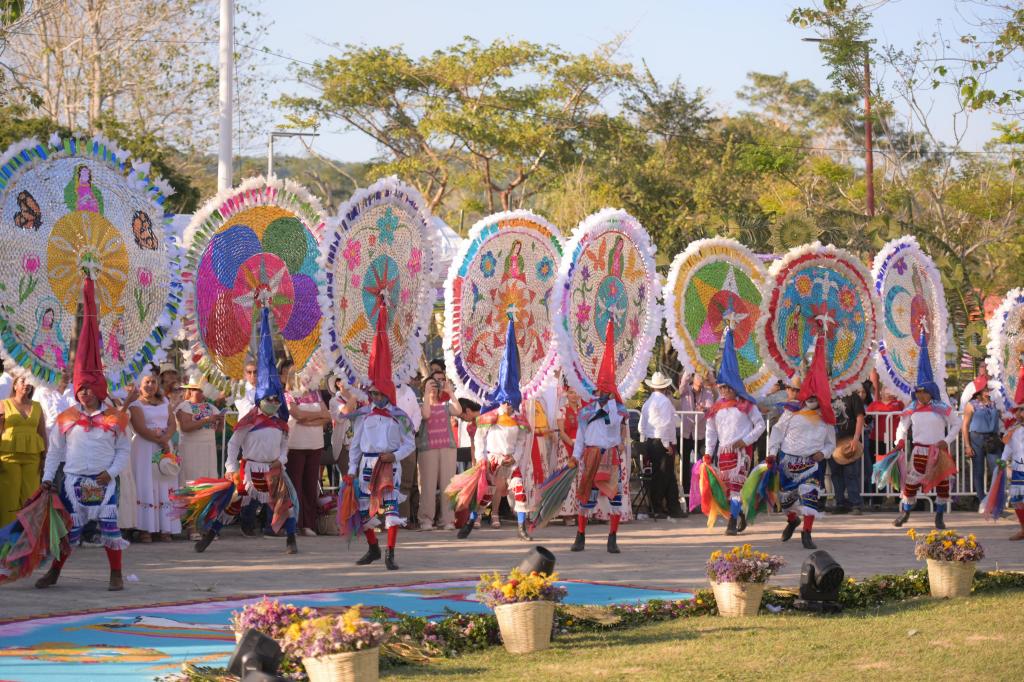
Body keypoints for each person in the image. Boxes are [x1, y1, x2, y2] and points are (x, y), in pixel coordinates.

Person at [36, 275, 130, 591]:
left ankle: (116, 575)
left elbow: (124, 451)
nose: (84, 394)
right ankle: (55, 573)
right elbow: (55, 452)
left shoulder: (115, 418)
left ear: (99, 390)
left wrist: (111, 472)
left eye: (89, 389)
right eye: (81, 389)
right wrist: (48, 479)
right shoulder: (66, 418)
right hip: (73, 480)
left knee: (109, 527)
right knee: (68, 533)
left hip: (103, 482)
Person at [194, 306, 299, 555]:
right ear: (260, 400)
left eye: (277, 400)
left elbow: (285, 442)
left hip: (272, 468)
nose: (274, 403)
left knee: (286, 503)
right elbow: (233, 444)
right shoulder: (248, 421)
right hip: (250, 470)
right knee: (234, 503)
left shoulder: (280, 422)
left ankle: (291, 539)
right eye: (269, 400)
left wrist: (281, 459)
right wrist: (231, 468)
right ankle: (211, 534)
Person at [345, 295, 415, 570]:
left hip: (389, 465)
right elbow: (354, 444)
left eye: (379, 393)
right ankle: (373, 548)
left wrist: (395, 455)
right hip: (366, 464)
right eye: (372, 392)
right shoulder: (363, 414)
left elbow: (410, 442)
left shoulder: (400, 416)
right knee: (364, 510)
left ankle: (390, 554)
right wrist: (351, 469)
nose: (375, 396)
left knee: (390, 510)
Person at [460, 316, 534, 541]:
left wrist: (516, 458)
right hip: (492, 458)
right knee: (485, 495)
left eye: (511, 403)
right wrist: (483, 458)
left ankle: (521, 528)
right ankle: (472, 521)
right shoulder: (489, 417)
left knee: (519, 488)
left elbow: (522, 442)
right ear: (500, 400)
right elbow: (480, 438)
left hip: (510, 459)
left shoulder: (520, 420)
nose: (507, 406)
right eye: (505, 402)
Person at [767, 337, 836, 550]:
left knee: (810, 496)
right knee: (786, 500)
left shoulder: (827, 418)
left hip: (812, 463)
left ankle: (807, 533)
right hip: (788, 460)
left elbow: (831, 444)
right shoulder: (791, 411)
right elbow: (777, 431)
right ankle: (792, 521)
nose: (813, 398)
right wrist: (772, 452)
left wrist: (822, 454)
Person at [571, 320, 630, 554]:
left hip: (610, 456)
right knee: (586, 496)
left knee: (615, 498)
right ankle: (580, 536)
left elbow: (614, 424)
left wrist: (609, 405)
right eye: (600, 390)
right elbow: (580, 436)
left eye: (607, 390)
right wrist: (575, 457)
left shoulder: (617, 410)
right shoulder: (586, 411)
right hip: (591, 455)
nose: (602, 394)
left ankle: (612, 538)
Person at [893, 333, 962, 530]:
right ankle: (905, 513)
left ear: (931, 391)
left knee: (942, 484)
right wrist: (899, 440)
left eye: (924, 391)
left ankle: (939, 518)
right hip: (919, 451)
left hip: (939, 451)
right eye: (918, 392)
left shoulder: (942, 406)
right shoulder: (911, 408)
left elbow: (956, 423)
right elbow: (901, 426)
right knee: (911, 484)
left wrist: (946, 440)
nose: (920, 395)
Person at [704, 327, 766, 536]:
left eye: (727, 387)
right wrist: (707, 452)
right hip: (723, 452)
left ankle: (731, 522)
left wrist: (746, 441)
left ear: (735, 387)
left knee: (737, 487)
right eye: (721, 387)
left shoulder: (747, 405)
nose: (723, 391)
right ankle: (737, 514)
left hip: (741, 452)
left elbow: (760, 426)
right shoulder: (716, 407)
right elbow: (711, 430)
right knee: (726, 489)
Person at [129, 373, 179, 542]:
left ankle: (166, 528)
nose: (150, 385)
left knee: (165, 482)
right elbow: (139, 427)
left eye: (153, 382)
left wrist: (166, 440)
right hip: (145, 446)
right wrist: (159, 440)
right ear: (140, 385)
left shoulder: (165, 402)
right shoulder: (135, 404)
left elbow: (172, 423)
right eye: (146, 382)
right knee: (147, 482)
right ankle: (145, 529)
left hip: (164, 446)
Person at [284, 362, 331, 537]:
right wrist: (316, 417)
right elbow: (297, 415)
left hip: (315, 445)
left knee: (311, 486)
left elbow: (327, 416)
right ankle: (295, 522)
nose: (307, 379)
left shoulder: (316, 394)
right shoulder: (289, 395)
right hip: (296, 445)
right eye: (304, 375)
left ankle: (308, 524)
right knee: (295, 486)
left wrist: (308, 420)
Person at [417, 359, 462, 531]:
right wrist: (427, 392)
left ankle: (448, 520)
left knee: (447, 485)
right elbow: (426, 415)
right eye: (433, 381)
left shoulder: (446, 405)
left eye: (440, 381)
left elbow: (458, 411)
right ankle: (426, 519)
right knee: (428, 485)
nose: (437, 384)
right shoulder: (422, 404)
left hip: (447, 448)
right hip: (428, 448)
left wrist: (450, 392)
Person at [175, 377, 223, 539]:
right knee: (191, 486)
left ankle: (205, 526)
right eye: (195, 389)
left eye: (202, 389)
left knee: (208, 486)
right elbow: (186, 427)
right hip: (190, 449)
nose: (199, 392)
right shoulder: (184, 406)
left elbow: (215, 430)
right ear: (189, 391)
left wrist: (219, 423)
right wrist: (206, 420)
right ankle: (191, 526)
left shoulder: (211, 407)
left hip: (207, 449)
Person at [0, 373, 48, 526]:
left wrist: (45, 457)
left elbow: (42, 433)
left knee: (30, 497)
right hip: (8, 458)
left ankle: (27, 538)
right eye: (23, 381)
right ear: (15, 385)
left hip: (33, 458)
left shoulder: (37, 406)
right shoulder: (3, 404)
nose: (26, 384)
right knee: (9, 498)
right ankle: (6, 539)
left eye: (29, 381)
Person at [640, 371, 683, 518]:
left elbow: (641, 427)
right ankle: (660, 507)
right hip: (662, 441)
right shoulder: (664, 402)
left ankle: (670, 507)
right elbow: (665, 425)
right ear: (664, 387)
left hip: (652, 441)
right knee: (664, 475)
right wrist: (667, 444)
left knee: (664, 475)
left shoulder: (648, 403)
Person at [962, 381, 1003, 505]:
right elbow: (964, 426)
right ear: (979, 392)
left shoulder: (994, 404)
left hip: (992, 438)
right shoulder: (971, 404)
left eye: (988, 390)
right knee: (978, 471)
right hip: (976, 438)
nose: (987, 392)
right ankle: (982, 500)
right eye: (985, 390)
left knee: (997, 469)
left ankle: (993, 499)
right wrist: (967, 445)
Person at [829, 387, 866, 515]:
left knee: (851, 473)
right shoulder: (827, 396)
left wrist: (856, 439)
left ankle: (856, 503)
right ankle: (840, 503)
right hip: (833, 441)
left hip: (849, 440)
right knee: (836, 474)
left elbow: (860, 417)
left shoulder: (852, 396)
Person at [866, 386, 905, 506]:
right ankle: (877, 499)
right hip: (876, 440)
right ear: (881, 391)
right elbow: (867, 419)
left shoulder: (899, 404)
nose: (888, 391)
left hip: (894, 440)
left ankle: (898, 499)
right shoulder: (874, 404)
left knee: (896, 468)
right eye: (885, 389)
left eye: (890, 389)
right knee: (877, 468)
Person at [677, 372, 715, 495]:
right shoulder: (685, 390)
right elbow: (682, 385)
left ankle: (704, 492)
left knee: (705, 462)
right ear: (693, 378)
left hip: (700, 434)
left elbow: (710, 407)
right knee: (685, 464)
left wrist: (703, 409)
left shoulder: (707, 393)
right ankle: (686, 493)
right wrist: (690, 365)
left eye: (702, 377)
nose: (700, 379)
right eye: (698, 376)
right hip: (686, 433)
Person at [395, 379, 422, 523]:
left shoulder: (409, 390)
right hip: (390, 441)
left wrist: (412, 430)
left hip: (408, 441)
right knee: (388, 481)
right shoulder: (383, 389)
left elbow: (417, 413)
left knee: (406, 481)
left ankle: (404, 518)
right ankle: (387, 518)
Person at [555, 381, 582, 521]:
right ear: (567, 394)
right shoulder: (562, 411)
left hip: (581, 448)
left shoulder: (583, 410)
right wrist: (572, 443)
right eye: (571, 392)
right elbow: (561, 432)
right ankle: (567, 513)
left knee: (581, 479)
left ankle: (580, 512)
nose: (574, 395)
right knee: (568, 480)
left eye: (576, 392)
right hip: (567, 446)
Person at [1001, 402, 1024, 540]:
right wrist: (1003, 460)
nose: (1020, 413)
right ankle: (1023, 529)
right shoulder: (1013, 429)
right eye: (1020, 410)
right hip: (1018, 469)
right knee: (1017, 500)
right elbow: (1008, 447)